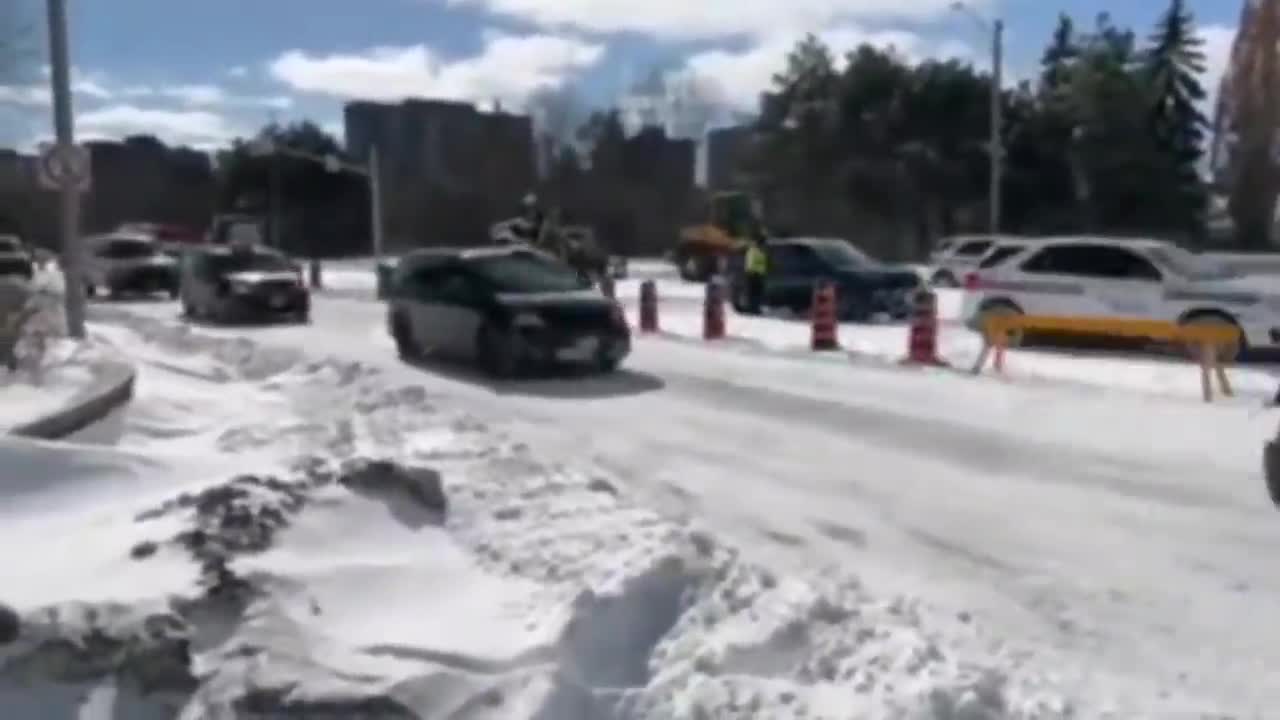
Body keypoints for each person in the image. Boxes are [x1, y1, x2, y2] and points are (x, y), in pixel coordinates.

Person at [743, 234, 768, 314]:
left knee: (757, 293)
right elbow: (750, 262)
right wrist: (751, 272)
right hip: (753, 274)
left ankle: (756, 308)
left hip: (759, 274)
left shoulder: (760, 250)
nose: (764, 245)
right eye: (763, 243)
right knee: (753, 293)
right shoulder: (754, 250)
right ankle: (752, 309)